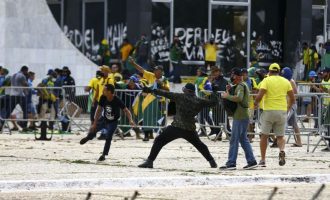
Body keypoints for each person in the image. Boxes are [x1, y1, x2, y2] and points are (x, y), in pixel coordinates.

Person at [137, 83, 218, 168]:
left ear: (187, 90)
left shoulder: (180, 96)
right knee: (200, 145)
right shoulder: (199, 101)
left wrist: (151, 90)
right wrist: (215, 92)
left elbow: (165, 93)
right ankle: (212, 161)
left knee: (159, 140)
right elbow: (213, 103)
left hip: (176, 127)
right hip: (189, 129)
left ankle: (150, 161)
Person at [80, 84, 136, 161]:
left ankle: (103, 155)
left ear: (109, 92)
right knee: (93, 130)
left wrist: (131, 120)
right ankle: (88, 137)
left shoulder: (117, 100)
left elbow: (126, 110)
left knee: (108, 137)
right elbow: (98, 110)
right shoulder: (103, 97)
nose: (102, 91)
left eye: (104, 90)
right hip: (103, 119)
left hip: (113, 122)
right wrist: (94, 123)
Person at [254, 63, 295, 167]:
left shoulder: (266, 80)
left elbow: (260, 95)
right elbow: (292, 98)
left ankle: (263, 160)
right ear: (279, 71)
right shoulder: (286, 81)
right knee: (280, 136)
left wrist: (255, 103)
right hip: (281, 111)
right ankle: (281, 150)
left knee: (264, 136)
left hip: (268, 111)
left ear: (269, 71)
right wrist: (288, 108)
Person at [219, 68, 257, 170]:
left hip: (240, 116)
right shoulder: (240, 85)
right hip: (242, 115)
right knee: (243, 139)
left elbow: (239, 98)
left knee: (234, 139)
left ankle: (231, 163)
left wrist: (227, 96)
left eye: (233, 75)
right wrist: (230, 90)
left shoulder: (241, 86)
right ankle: (252, 161)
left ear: (237, 76)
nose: (231, 76)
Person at [129, 57, 170, 141]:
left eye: (156, 70)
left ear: (161, 72)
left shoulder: (165, 79)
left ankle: (162, 136)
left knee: (161, 119)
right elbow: (142, 70)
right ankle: (147, 135)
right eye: (154, 70)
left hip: (160, 102)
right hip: (149, 102)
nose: (154, 71)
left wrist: (161, 84)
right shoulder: (151, 76)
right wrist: (133, 64)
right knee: (147, 118)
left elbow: (167, 89)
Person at [2, 66, 29, 131]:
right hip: (20, 95)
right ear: (25, 70)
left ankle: (1, 123)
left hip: (12, 95)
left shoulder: (13, 75)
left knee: (9, 111)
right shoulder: (22, 76)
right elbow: (25, 85)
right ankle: (24, 126)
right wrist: (26, 92)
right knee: (25, 110)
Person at [281, 67, 302, 147]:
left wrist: (289, 106)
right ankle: (299, 142)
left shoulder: (291, 81)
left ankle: (279, 140)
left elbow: (295, 95)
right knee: (294, 124)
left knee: (283, 121)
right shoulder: (285, 81)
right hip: (287, 104)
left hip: (291, 105)